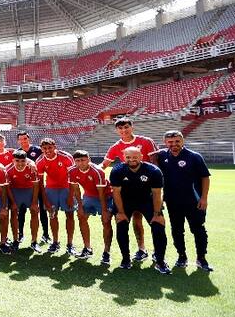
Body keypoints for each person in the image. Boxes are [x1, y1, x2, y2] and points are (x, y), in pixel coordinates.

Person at [101, 117, 158, 263]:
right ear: (117, 130)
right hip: (126, 190)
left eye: (126, 127)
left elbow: (156, 164)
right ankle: (141, 249)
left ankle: (153, 251)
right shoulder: (115, 146)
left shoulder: (146, 141)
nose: (123, 130)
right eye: (120, 128)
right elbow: (104, 165)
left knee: (153, 221)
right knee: (131, 220)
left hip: (146, 189)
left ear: (132, 127)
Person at [156, 130, 213, 271]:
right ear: (165, 143)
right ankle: (182, 257)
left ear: (182, 141)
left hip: (194, 201)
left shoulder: (194, 156)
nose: (174, 144)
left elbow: (205, 177)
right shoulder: (162, 156)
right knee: (177, 230)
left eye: (177, 141)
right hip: (172, 201)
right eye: (170, 142)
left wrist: (204, 198)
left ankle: (201, 259)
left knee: (198, 229)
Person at [109, 147, 170, 274]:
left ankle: (160, 261)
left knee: (158, 226)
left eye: (135, 157)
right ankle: (126, 259)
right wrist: (120, 212)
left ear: (141, 157)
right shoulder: (117, 170)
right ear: (124, 157)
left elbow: (157, 193)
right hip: (125, 202)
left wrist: (157, 213)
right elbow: (116, 193)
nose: (131, 160)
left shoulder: (153, 171)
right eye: (128, 157)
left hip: (147, 201)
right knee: (121, 226)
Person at [67, 150, 111, 262]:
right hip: (89, 195)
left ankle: (106, 252)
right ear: (74, 161)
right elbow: (76, 190)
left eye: (83, 160)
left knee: (106, 221)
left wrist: (104, 211)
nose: (80, 163)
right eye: (77, 161)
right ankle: (87, 248)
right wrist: (80, 207)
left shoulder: (98, 171)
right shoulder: (71, 171)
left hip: (105, 196)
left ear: (89, 160)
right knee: (81, 216)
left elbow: (101, 193)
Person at [35, 138, 76, 255]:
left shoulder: (66, 157)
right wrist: (45, 199)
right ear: (41, 149)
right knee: (52, 215)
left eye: (50, 147)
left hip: (66, 189)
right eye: (44, 148)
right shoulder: (40, 161)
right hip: (51, 190)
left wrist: (70, 196)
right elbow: (40, 182)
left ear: (55, 146)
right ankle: (55, 242)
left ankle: (70, 244)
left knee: (70, 215)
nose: (47, 150)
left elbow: (73, 178)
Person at [16, 131, 49, 244]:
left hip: (38, 184)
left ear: (28, 139)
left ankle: (46, 234)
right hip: (24, 187)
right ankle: (20, 234)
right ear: (18, 141)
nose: (23, 141)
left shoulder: (37, 150)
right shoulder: (17, 152)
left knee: (43, 210)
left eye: (25, 138)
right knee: (22, 210)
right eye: (21, 139)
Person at [5, 150, 41, 253]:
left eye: (23, 161)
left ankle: (34, 241)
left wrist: (34, 203)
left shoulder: (31, 168)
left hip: (29, 192)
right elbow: (8, 188)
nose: (20, 163)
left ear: (27, 160)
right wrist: (13, 202)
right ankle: (15, 240)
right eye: (17, 161)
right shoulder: (8, 170)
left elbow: (35, 185)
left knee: (34, 212)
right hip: (15, 193)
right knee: (14, 214)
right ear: (13, 161)